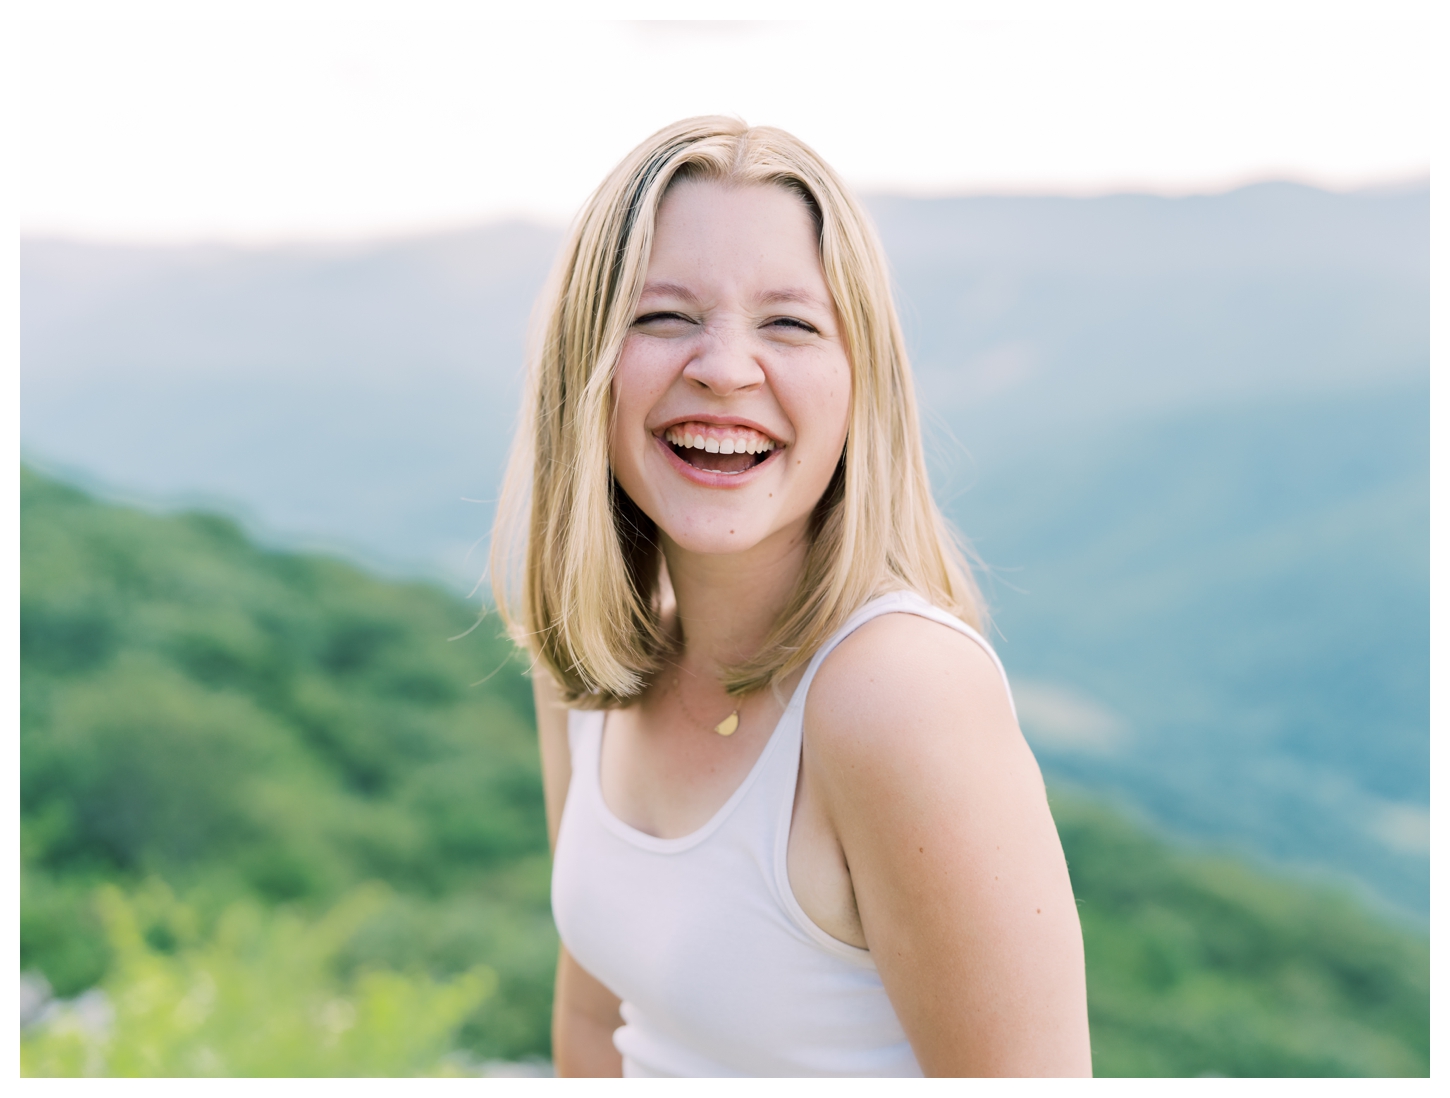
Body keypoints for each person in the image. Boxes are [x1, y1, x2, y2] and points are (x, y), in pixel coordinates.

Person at [490, 116, 1091, 1078]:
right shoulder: (590, 666)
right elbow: (595, 1021)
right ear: (586, 370)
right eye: (662, 316)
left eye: (790, 323)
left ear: (861, 386)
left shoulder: (897, 694)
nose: (726, 368)